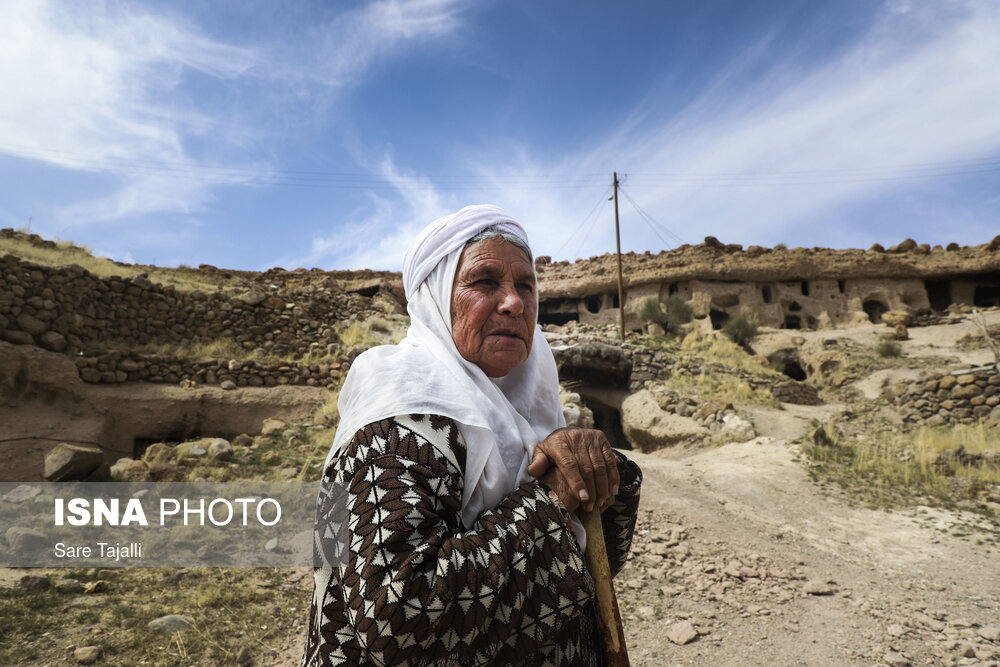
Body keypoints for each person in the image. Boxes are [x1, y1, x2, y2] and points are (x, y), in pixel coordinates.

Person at [302, 205, 641, 666]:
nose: (515, 302)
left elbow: (587, 565)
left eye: (526, 285)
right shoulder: (390, 425)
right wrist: (553, 501)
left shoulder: (533, 408)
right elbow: (397, 622)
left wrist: (601, 470)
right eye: (485, 282)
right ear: (439, 298)